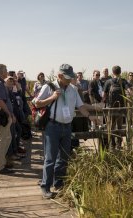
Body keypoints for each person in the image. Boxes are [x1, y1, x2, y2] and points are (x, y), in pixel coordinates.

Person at [35, 64, 98, 199]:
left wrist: (90, 116)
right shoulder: (49, 87)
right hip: (52, 126)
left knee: (63, 157)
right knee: (50, 158)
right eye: (68, 78)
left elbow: (80, 106)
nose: (70, 80)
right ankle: (45, 187)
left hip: (67, 127)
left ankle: (59, 184)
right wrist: (51, 98)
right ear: (59, 76)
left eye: (71, 77)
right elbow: (36, 103)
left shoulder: (73, 89)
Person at [102, 65, 131, 149]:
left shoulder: (108, 81)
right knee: (120, 127)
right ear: (120, 72)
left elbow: (103, 95)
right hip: (120, 108)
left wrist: (104, 101)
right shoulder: (123, 81)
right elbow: (130, 92)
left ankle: (112, 145)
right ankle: (119, 145)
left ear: (112, 72)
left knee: (111, 127)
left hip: (111, 108)